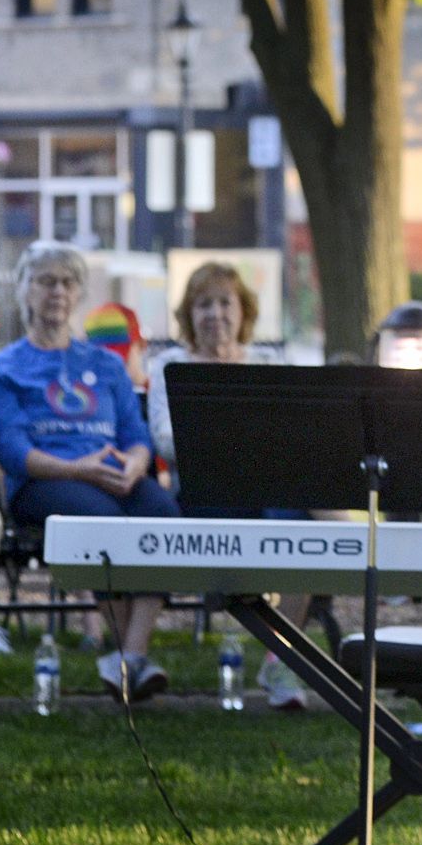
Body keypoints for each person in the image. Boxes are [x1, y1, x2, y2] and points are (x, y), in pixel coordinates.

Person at [0, 239, 178, 701]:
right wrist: (76, 468)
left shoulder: (106, 364)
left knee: (164, 516)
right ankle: (131, 661)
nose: (57, 291)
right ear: (24, 291)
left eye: (68, 283)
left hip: (114, 475)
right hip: (44, 483)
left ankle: (130, 655)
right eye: (45, 281)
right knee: (101, 525)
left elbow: (136, 434)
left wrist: (135, 464)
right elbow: (11, 451)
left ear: (78, 294)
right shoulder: (3, 368)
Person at [149, 261, 323, 710]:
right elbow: (167, 441)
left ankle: (280, 663)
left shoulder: (267, 364)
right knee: (322, 524)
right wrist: (244, 442)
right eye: (203, 304)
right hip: (207, 495)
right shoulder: (171, 365)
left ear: (243, 311)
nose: (215, 314)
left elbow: (293, 433)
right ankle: (366, 542)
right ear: (189, 315)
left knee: (314, 536)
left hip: (271, 490)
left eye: (224, 302)